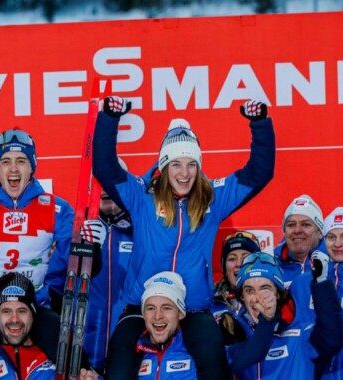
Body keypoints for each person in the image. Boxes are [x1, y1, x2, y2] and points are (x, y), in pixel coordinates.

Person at [94, 97, 275, 379]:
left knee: (214, 364)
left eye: (191, 164)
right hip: (143, 305)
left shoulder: (212, 198)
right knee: (118, 370)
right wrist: (109, 118)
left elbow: (259, 172)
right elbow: (105, 168)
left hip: (192, 307)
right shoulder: (142, 197)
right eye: (176, 164)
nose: (184, 173)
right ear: (164, 166)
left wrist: (260, 124)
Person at [0, 128, 103, 378]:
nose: (13, 170)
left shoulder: (56, 209)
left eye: (21, 161)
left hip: (32, 310)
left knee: (78, 367)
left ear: (32, 167)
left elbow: (82, 267)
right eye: (6, 162)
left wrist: (92, 245)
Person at [225, 251, 343, 379]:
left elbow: (333, 340)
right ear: (242, 296)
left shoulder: (300, 330)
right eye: (249, 290)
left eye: (265, 288)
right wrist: (266, 321)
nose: (257, 298)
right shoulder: (232, 329)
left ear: (277, 293)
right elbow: (232, 363)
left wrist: (321, 283)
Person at [0, 272, 98, 380]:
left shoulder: (57, 356)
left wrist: (93, 378)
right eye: (6, 311)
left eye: (22, 311)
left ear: (33, 314)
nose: (14, 319)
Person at [83, 166, 134, 372]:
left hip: (129, 348)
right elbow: (56, 283)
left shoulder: (142, 227)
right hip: (85, 348)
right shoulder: (79, 228)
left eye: (111, 182)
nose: (105, 189)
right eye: (98, 184)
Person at [131, 271, 197, 379]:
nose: (158, 316)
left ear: (180, 313)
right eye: (151, 308)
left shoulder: (196, 350)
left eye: (166, 308)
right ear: (143, 314)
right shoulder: (132, 351)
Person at [210, 231, 261, 344]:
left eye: (246, 258)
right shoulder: (209, 301)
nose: (239, 264)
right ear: (224, 267)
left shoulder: (268, 298)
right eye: (232, 259)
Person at [276, 194, 326, 285]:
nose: (297, 230)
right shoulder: (271, 266)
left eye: (305, 224)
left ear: (320, 232)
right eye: (291, 225)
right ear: (284, 232)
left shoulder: (336, 263)